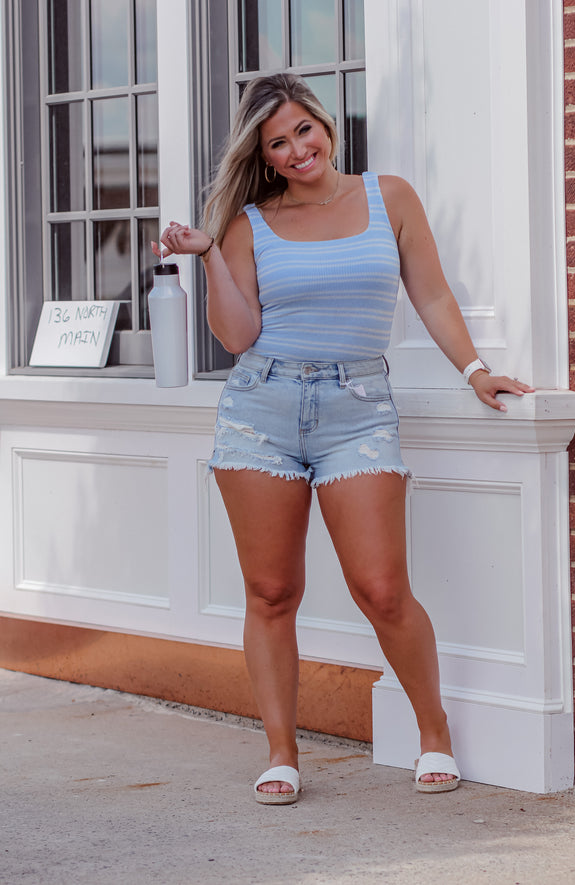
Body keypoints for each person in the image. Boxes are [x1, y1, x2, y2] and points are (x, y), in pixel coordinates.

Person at [153, 73, 533, 804]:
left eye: (304, 130)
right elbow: (237, 335)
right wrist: (207, 255)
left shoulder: (388, 197)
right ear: (262, 157)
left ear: (325, 124)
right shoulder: (248, 223)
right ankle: (282, 751)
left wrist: (476, 370)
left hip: (358, 407)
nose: (298, 149)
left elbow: (430, 293)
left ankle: (433, 732)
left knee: (382, 588)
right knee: (271, 591)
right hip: (260, 408)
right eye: (278, 143)